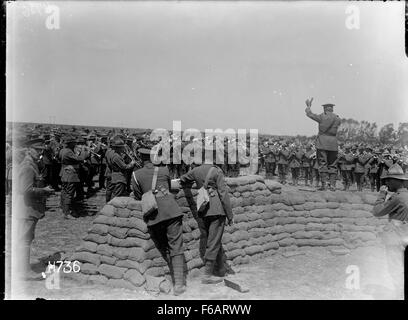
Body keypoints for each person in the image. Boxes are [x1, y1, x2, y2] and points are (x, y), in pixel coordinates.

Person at [131, 148, 186, 296]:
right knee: (176, 246)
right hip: (172, 211)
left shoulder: (136, 174)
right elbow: (168, 188)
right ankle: (179, 284)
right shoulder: (164, 170)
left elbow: (137, 196)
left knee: (164, 247)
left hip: (154, 216)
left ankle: (171, 274)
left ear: (141, 158)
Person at [180, 147, 234, 285]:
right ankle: (207, 275)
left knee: (214, 239)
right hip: (217, 210)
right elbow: (223, 194)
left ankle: (221, 268)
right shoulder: (217, 171)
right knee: (214, 241)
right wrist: (230, 215)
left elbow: (183, 179)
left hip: (203, 209)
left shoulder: (196, 170)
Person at [14, 138, 54, 280]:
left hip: (28, 208)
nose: (40, 153)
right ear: (29, 150)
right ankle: (23, 271)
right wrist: (44, 190)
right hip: (27, 209)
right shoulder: (28, 166)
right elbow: (26, 189)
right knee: (24, 239)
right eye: (37, 150)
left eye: (41, 150)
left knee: (26, 238)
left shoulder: (32, 164)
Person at [372, 164, 408, 299]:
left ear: (397, 181)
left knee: (395, 268)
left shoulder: (397, 197)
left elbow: (377, 212)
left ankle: (399, 294)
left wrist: (382, 194)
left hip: (397, 238)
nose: (386, 182)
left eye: (389, 179)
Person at [305, 98, 341, 190]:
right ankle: (332, 185)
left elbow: (310, 114)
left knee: (322, 164)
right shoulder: (337, 118)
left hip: (322, 143)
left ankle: (324, 185)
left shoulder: (322, 117)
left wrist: (308, 106)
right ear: (332, 109)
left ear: (325, 109)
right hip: (333, 144)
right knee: (333, 164)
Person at [60, 135, 89, 219]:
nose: (75, 144)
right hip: (70, 174)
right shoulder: (68, 152)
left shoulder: (63, 150)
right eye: (74, 143)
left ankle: (64, 208)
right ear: (70, 143)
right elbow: (80, 158)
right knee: (69, 193)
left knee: (64, 191)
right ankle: (67, 213)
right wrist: (84, 151)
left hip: (64, 172)